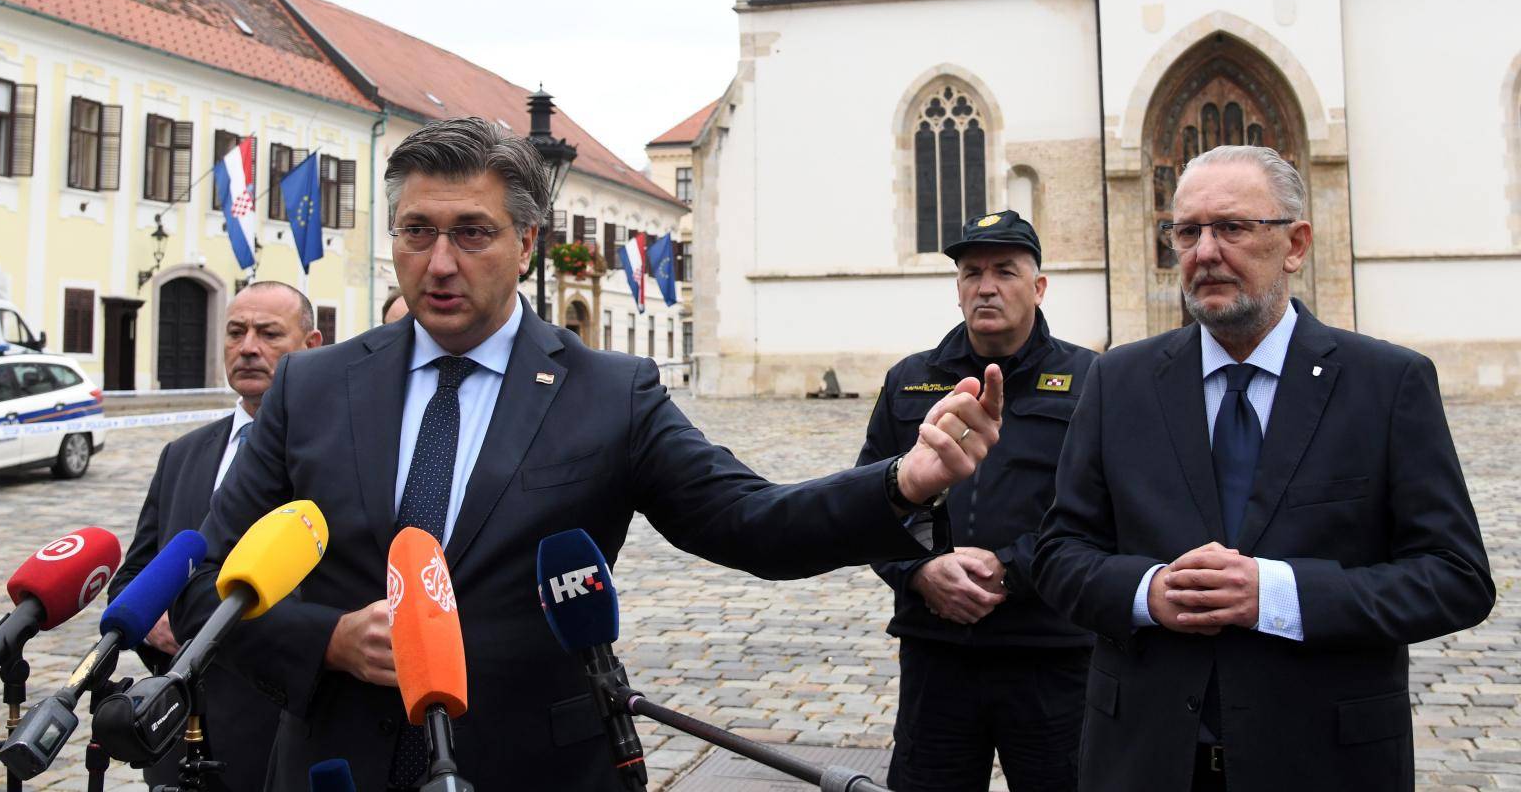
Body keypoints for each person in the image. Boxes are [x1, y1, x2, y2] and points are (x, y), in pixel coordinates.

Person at [175, 117, 1004, 792]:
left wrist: (903, 481)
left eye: (473, 233)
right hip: (335, 764)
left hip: (534, 766)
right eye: (418, 232)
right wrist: (327, 640)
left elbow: (754, 525)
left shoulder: (609, 393)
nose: (440, 262)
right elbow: (210, 582)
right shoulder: (313, 388)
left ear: (528, 242)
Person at [1033, 145, 1493, 792]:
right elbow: (1058, 555)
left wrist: (1274, 595)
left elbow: (1456, 579)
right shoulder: (1118, 382)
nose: (1205, 252)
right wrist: (1150, 593)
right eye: (1186, 231)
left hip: (1325, 763)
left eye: (1233, 227)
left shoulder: (1387, 385)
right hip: (1144, 759)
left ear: (1296, 243)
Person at [858, 210, 1094, 791]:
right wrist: (920, 572)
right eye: (971, 272)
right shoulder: (910, 381)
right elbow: (870, 503)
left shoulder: (1092, 381)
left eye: (1005, 271)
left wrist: (1008, 569)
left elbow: (1099, 513)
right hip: (938, 655)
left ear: (1038, 287)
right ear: (957, 288)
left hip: (1050, 653)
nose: (986, 286)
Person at [110, 281, 323, 790]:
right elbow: (131, 579)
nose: (248, 347)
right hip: (180, 733)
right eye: (235, 332)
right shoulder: (182, 454)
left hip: (282, 735)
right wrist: (152, 623)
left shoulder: (331, 459)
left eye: (269, 334)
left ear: (311, 346)